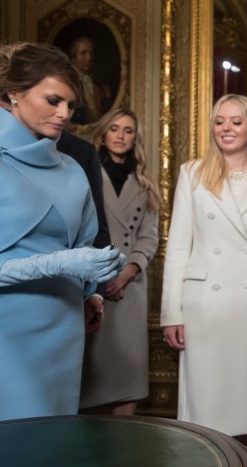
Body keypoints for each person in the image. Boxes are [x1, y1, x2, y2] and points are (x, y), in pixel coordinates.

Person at [161, 94, 247, 437]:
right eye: (220, 121)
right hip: (205, 306)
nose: (226, 128)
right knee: (206, 407)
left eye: (236, 122)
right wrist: (171, 314)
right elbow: (178, 247)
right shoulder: (192, 173)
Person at [0, 42, 125, 421]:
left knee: (51, 444)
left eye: (71, 105)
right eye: (53, 100)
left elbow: (84, 243)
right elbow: (66, 256)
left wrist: (93, 295)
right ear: (13, 93)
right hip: (8, 329)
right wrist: (61, 262)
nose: (64, 114)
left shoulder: (72, 166)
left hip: (64, 328)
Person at [80, 108, 160, 415]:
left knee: (129, 380)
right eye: (114, 129)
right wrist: (101, 278)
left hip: (130, 289)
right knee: (92, 378)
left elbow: (149, 236)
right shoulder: (85, 175)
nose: (120, 136)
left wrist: (127, 272)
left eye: (128, 130)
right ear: (103, 133)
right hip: (93, 283)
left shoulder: (145, 183)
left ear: (135, 137)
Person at [57, 129, 111, 248]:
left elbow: (98, 217)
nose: (64, 114)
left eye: (71, 108)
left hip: (70, 259)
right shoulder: (6, 148)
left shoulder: (83, 151)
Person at [69, 36, 111, 124]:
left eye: (91, 53)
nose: (89, 58)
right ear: (74, 58)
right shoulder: (68, 82)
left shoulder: (98, 86)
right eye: (83, 53)